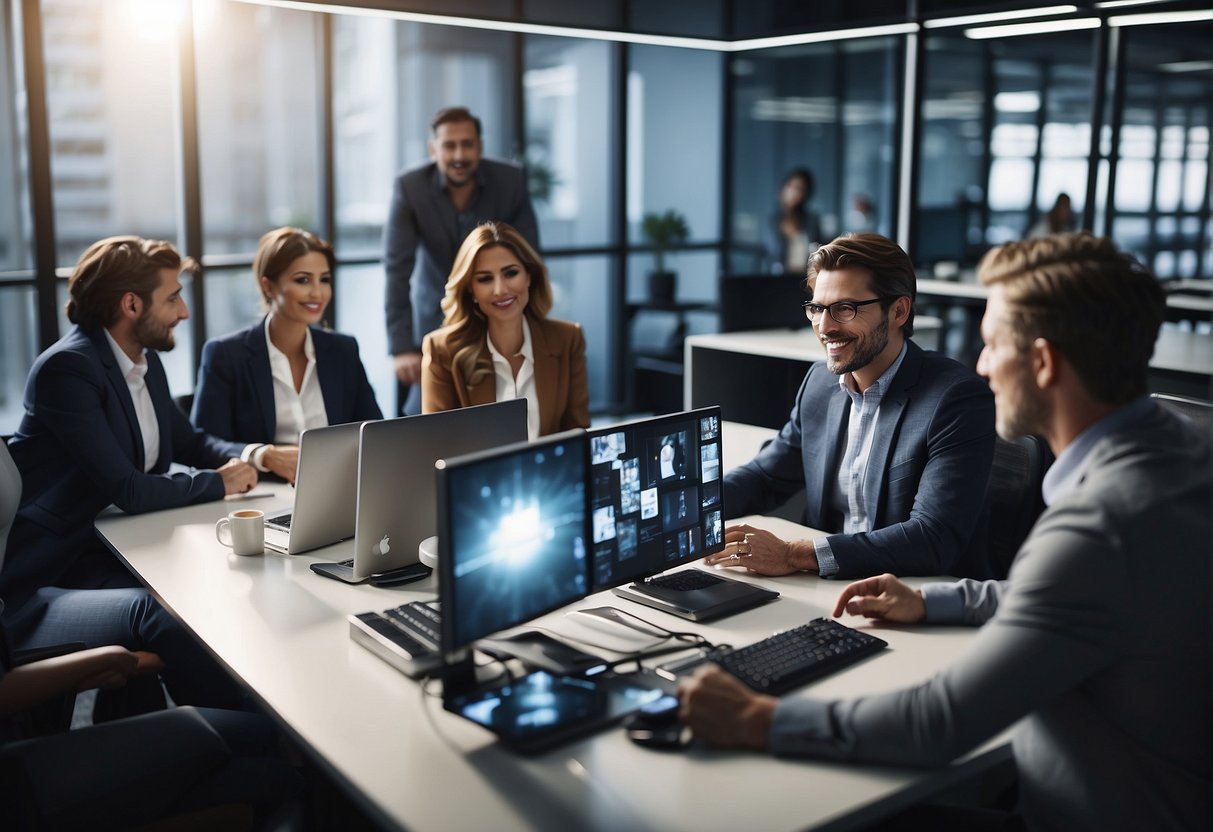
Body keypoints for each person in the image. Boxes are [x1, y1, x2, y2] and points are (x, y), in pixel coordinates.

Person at [680, 233, 1210, 832]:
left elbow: (938, 724)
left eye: (990, 345)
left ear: (1042, 363)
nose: (981, 365)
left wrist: (755, 719)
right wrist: (932, 599)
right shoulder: (1181, 457)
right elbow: (1069, 595)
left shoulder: (1098, 527)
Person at [712, 232, 996, 579]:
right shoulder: (820, 384)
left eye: (845, 309)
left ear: (899, 311)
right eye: (816, 309)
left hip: (912, 595)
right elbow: (766, 476)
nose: (825, 327)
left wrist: (793, 555)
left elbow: (932, 537)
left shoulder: (954, 399)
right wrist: (692, 512)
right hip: (825, 586)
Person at [0, 236, 257, 612]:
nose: (183, 312)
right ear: (132, 304)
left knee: (226, 582)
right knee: (186, 610)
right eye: (172, 298)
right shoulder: (68, 370)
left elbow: (190, 443)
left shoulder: (143, 364)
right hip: (60, 566)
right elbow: (129, 490)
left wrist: (260, 457)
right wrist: (220, 481)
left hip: (123, 544)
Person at [191, 227, 382, 484]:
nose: (317, 293)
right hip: (261, 495)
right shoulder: (226, 354)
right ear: (268, 287)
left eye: (324, 279)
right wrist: (262, 455)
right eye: (303, 280)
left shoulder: (343, 350)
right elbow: (204, 445)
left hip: (338, 488)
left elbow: (374, 434)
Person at [385, 106, 540, 416]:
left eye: (467, 144)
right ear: (433, 150)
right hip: (434, 320)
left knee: (499, 413)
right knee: (423, 416)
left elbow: (529, 259)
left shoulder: (510, 181)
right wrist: (402, 347)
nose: (459, 155)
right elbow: (396, 269)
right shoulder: (410, 188)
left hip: (499, 315)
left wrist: (533, 330)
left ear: (479, 147)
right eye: (449, 145)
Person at [421, 222, 588, 439]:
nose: (500, 290)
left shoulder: (567, 339)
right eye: (485, 279)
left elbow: (578, 435)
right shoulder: (441, 351)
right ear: (471, 289)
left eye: (510, 273)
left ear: (529, 276)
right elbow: (437, 445)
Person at [762, 168, 823, 275]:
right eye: (791, 186)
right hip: (779, 278)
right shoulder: (773, 222)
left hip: (806, 277)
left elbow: (817, 250)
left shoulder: (811, 221)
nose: (794, 192)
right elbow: (772, 256)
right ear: (783, 188)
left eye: (800, 189)